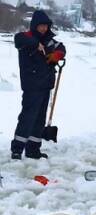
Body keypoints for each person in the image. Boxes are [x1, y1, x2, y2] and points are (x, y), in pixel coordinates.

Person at [11, 10, 66, 160]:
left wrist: (57, 55)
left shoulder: (49, 40)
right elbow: (18, 39)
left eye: (45, 26)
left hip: (46, 85)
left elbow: (61, 48)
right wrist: (36, 44)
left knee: (39, 119)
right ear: (35, 25)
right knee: (28, 117)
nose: (43, 29)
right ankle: (17, 149)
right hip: (31, 86)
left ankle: (33, 149)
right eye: (41, 26)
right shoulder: (26, 38)